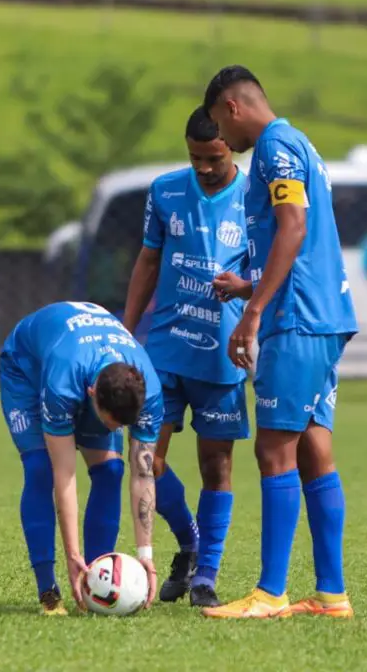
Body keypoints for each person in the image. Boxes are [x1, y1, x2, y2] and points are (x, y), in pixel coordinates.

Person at [200, 65, 359, 620]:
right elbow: (301, 236)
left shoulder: (272, 147)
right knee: (313, 446)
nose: (223, 137)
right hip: (324, 314)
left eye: (220, 121)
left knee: (273, 449)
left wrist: (254, 309)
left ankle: (269, 593)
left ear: (233, 107)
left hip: (297, 318)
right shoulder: (301, 144)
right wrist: (249, 284)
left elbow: (292, 224)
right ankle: (333, 594)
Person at [121, 107, 251, 608]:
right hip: (165, 350)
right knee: (147, 458)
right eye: (194, 156)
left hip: (222, 355)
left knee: (217, 464)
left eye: (212, 158)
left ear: (231, 150)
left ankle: (206, 575)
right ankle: (191, 545)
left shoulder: (253, 199)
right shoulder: (165, 191)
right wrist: (127, 332)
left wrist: (249, 307)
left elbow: (267, 269)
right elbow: (148, 260)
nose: (201, 167)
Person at [0, 301, 162, 616]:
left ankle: (97, 582)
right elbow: (66, 473)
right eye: (111, 421)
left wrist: (146, 554)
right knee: (40, 469)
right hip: (26, 368)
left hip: (85, 358)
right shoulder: (63, 383)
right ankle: (48, 590)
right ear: (91, 394)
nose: (115, 430)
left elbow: (143, 475)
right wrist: (73, 554)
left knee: (112, 470)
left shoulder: (149, 392)